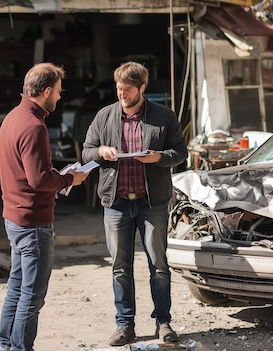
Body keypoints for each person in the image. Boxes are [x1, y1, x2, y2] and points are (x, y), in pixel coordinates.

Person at [82, 61, 188, 346]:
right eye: (119, 88)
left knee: (159, 265)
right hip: (115, 203)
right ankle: (124, 324)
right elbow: (86, 152)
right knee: (120, 266)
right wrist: (101, 151)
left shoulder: (164, 116)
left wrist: (159, 158)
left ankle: (163, 322)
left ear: (142, 88)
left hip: (151, 203)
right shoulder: (104, 116)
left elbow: (180, 152)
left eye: (128, 89)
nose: (122, 93)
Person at [0, 62, 88, 351]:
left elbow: (30, 173)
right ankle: (20, 347)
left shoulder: (13, 117)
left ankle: (6, 344)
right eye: (59, 92)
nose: (60, 97)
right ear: (46, 91)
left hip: (15, 217)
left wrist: (59, 176)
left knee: (16, 287)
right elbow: (38, 180)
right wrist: (69, 178)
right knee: (32, 296)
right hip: (32, 222)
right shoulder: (34, 126)